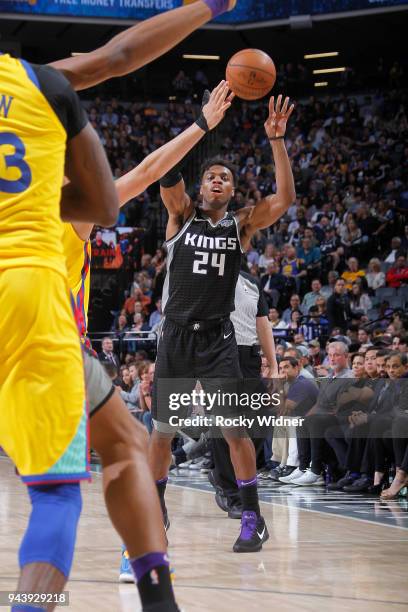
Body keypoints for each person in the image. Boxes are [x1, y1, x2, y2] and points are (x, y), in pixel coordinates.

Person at [149, 94, 295, 553]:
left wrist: (277, 142)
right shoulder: (180, 215)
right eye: (211, 175)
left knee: (235, 432)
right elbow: (163, 172)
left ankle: (251, 515)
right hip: (175, 336)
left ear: (232, 191)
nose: (218, 179)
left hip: (218, 339)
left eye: (225, 177)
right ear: (202, 185)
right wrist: (201, 125)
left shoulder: (241, 225)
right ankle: (155, 510)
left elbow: (285, 198)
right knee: (162, 432)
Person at [0, 54, 119, 609]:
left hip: (44, 327)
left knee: (132, 445)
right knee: (59, 491)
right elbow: (117, 193)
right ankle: (149, 572)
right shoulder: (68, 212)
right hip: (38, 317)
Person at [209, 268, 279, 518]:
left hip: (248, 355)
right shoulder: (206, 274)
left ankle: (222, 473)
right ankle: (231, 491)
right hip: (216, 355)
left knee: (261, 420)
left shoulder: (251, 281)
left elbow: (263, 323)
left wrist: (273, 364)